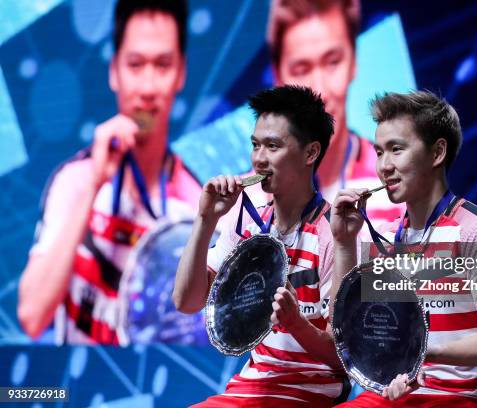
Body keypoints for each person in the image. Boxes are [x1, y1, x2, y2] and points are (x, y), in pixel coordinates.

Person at [18, 0, 200, 344]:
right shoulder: (74, 181)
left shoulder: (195, 207)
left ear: (181, 73)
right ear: (114, 71)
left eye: (162, 65)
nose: (147, 88)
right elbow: (31, 316)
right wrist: (93, 187)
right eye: (135, 65)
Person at [330, 91, 477, 407]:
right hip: (404, 397)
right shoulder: (391, 237)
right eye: (379, 152)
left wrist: (423, 352)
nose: (384, 166)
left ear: (437, 152)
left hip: (472, 398)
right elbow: (347, 332)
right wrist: (343, 243)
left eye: (397, 149)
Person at [174, 85, 348, 407]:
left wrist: (296, 324)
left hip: (308, 393)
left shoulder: (334, 235)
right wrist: (205, 220)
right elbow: (186, 301)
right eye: (255, 145)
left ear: (310, 153)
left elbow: (344, 357)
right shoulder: (247, 222)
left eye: (272, 146)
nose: (259, 159)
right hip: (251, 387)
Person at [242, 0, 403, 223]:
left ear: (354, 61)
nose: (320, 91)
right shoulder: (241, 204)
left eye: (333, 62)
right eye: (301, 70)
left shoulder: (400, 193)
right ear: (277, 77)